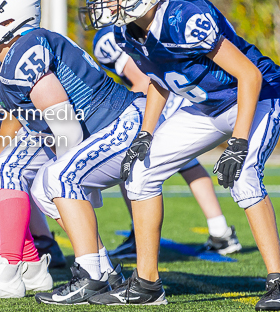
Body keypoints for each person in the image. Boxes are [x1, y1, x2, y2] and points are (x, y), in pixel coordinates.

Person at [82, 0, 280, 310]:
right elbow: (158, 80)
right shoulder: (127, 31)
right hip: (209, 103)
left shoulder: (184, 17)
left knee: (244, 176)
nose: (106, 1)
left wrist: (239, 142)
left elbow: (248, 75)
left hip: (260, 95)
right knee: (140, 172)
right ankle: (147, 284)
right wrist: (146, 133)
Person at [0, 0, 139, 304]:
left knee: (55, 181)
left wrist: (77, 182)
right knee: (38, 186)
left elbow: (65, 127)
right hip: (96, 128)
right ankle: (102, 269)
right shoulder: (10, 55)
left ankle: (80, 273)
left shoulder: (25, 50)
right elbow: (32, 120)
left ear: (5, 17)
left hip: (119, 122)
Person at [91, 27, 242, 258]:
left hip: (163, 100)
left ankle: (139, 233)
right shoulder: (130, 29)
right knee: (190, 166)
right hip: (182, 95)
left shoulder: (112, 37)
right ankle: (220, 232)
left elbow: (142, 82)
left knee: (128, 163)